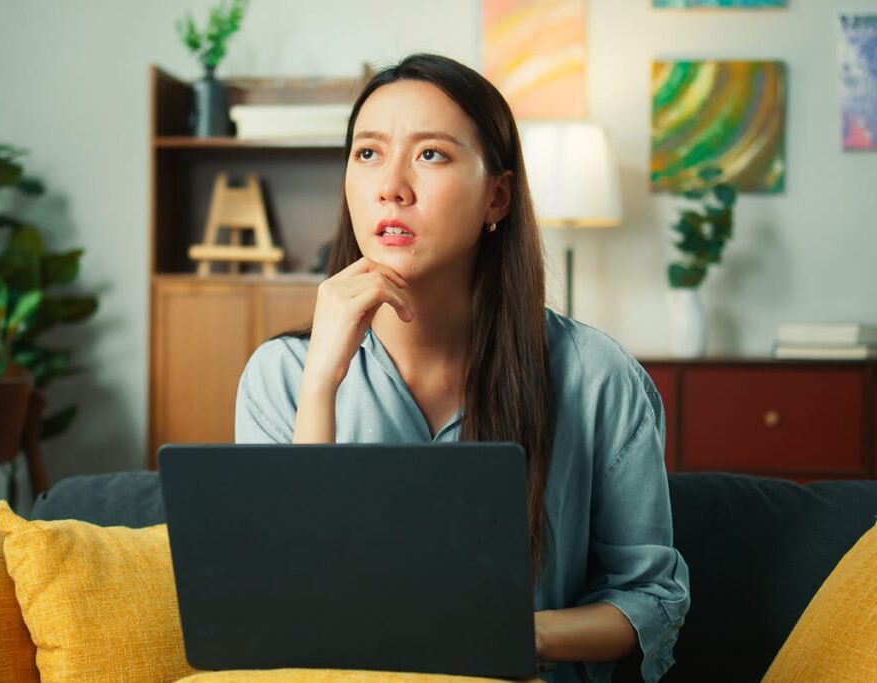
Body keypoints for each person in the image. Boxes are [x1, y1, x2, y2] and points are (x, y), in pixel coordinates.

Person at [234, 52, 690, 683]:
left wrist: (501, 633)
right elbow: (282, 607)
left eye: (431, 155)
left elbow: (651, 603)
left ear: (496, 196)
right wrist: (321, 384)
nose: (391, 185)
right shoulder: (281, 375)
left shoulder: (596, 376)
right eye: (368, 154)